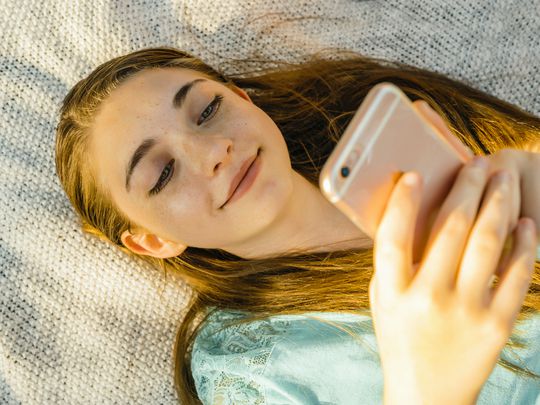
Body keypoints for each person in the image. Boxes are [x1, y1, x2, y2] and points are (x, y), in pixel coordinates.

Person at [54, 46, 540, 404]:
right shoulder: (242, 369)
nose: (213, 151)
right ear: (154, 241)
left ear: (245, 100)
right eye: (162, 173)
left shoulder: (412, 127)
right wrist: (431, 388)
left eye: (207, 110)